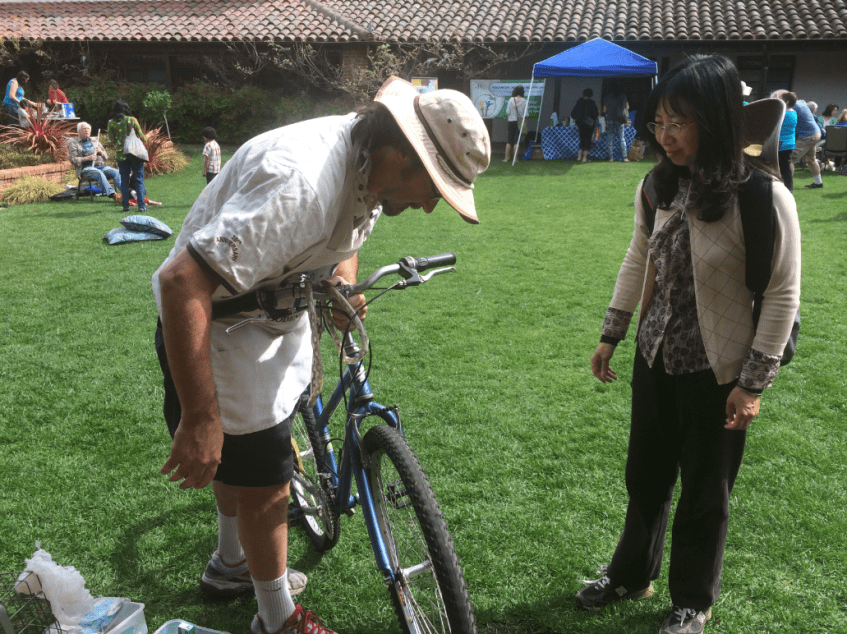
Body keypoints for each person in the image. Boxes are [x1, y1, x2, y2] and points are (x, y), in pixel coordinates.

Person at [151, 76, 490, 634]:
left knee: (246, 462)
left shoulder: (370, 165)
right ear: (401, 155)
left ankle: (231, 563)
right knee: (267, 481)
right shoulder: (302, 186)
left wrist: (342, 281)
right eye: (434, 187)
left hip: (274, 311)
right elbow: (182, 282)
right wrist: (201, 416)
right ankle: (276, 619)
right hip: (220, 323)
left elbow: (347, 234)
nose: (431, 207)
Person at [578, 55, 800, 634]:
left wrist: (752, 386)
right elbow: (638, 257)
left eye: (678, 123)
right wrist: (612, 333)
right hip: (655, 356)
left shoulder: (763, 197)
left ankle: (693, 601)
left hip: (719, 370)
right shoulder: (658, 185)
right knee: (645, 476)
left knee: (705, 491)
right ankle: (632, 573)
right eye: (659, 123)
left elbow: (782, 295)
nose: (665, 136)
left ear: (717, 119)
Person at [107, 100, 149, 213]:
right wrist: (147, 138)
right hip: (134, 154)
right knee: (139, 180)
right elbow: (141, 136)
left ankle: (125, 206)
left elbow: (112, 139)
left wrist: (120, 143)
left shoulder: (111, 123)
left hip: (121, 155)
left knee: (124, 181)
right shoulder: (132, 120)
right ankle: (141, 206)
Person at [68, 122, 121, 198]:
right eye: (84, 129)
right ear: (79, 131)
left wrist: (101, 151)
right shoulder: (74, 143)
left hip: (101, 167)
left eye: (88, 129)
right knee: (98, 173)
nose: (86, 130)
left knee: (117, 172)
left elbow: (106, 156)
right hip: (86, 169)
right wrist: (88, 158)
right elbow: (72, 159)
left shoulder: (95, 140)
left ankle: (127, 192)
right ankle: (112, 194)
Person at [792, 98, 823, 189]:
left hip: (807, 136)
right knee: (811, 160)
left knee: (790, 159)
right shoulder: (801, 105)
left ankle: (785, 185)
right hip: (814, 134)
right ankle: (818, 182)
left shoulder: (793, 107)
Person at [777, 91, 798, 192]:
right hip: (789, 143)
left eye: (781, 99)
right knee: (785, 168)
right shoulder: (794, 112)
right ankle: (787, 189)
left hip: (782, 144)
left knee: (783, 169)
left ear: (787, 101)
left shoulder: (783, 113)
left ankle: (788, 190)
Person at [571, 88, 599, 162]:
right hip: (589, 125)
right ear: (591, 95)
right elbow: (596, 114)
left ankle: (579, 156)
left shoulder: (579, 102)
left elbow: (573, 114)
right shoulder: (592, 103)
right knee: (588, 140)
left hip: (580, 124)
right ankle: (584, 158)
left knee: (582, 139)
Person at [602, 87, 630, 162]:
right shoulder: (623, 96)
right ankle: (625, 157)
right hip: (620, 120)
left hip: (610, 120)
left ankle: (611, 158)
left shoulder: (607, 97)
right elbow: (627, 107)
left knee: (610, 139)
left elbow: (604, 110)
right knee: (622, 139)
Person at [503, 85, 527, 163]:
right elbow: (526, 114)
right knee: (517, 141)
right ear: (522, 92)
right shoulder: (525, 101)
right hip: (519, 123)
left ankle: (506, 158)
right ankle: (515, 158)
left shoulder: (511, 100)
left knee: (509, 140)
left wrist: (509, 119)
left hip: (511, 121)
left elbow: (508, 112)